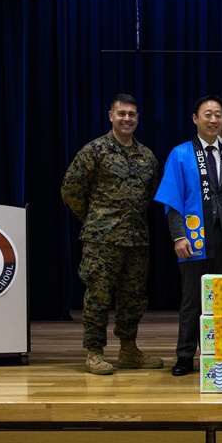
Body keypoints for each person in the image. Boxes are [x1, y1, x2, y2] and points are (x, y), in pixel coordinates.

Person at [154, 95, 222, 377]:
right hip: (194, 239)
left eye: (218, 115)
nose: (213, 120)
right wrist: (178, 236)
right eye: (207, 115)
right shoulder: (181, 154)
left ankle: (219, 355)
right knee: (191, 300)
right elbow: (172, 200)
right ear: (195, 119)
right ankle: (185, 356)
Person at [61, 94, 162, 375]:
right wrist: (95, 219)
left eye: (132, 114)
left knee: (133, 297)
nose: (127, 118)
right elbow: (70, 189)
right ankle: (94, 353)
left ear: (138, 118)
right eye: (122, 114)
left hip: (136, 239)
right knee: (98, 297)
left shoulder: (147, 157)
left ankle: (129, 349)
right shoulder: (95, 151)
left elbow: (149, 194)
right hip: (101, 240)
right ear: (110, 116)